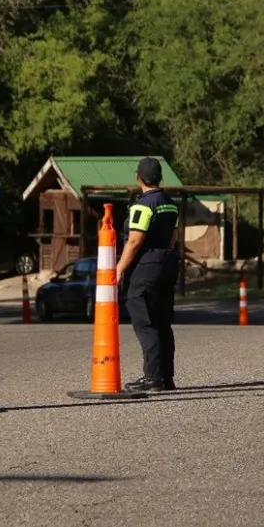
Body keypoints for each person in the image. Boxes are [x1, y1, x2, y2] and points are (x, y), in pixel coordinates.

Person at [116, 156, 181, 392]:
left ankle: (152, 378)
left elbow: (135, 240)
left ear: (138, 177)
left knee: (145, 321)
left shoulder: (142, 205)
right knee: (163, 322)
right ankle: (166, 377)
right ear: (160, 177)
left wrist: (119, 268)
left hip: (146, 266)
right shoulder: (170, 203)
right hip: (167, 262)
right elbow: (173, 237)